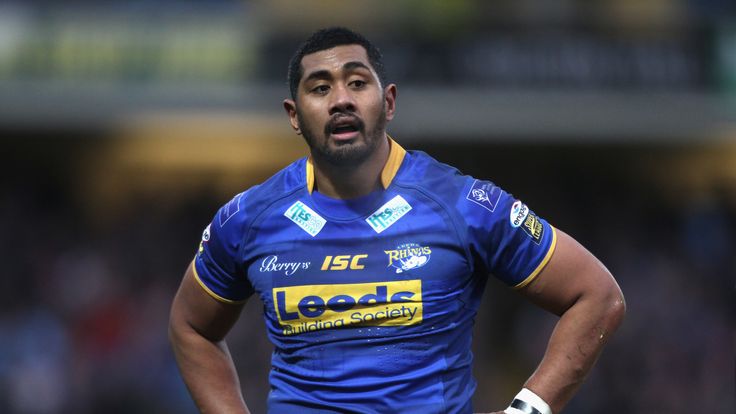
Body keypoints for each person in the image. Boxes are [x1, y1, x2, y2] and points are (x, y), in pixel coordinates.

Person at [168, 27, 626, 414]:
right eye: (320, 87)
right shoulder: (249, 217)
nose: (341, 100)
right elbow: (191, 327)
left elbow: (597, 296)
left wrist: (527, 409)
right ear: (294, 115)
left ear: (388, 102)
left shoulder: (464, 204)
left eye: (357, 83)